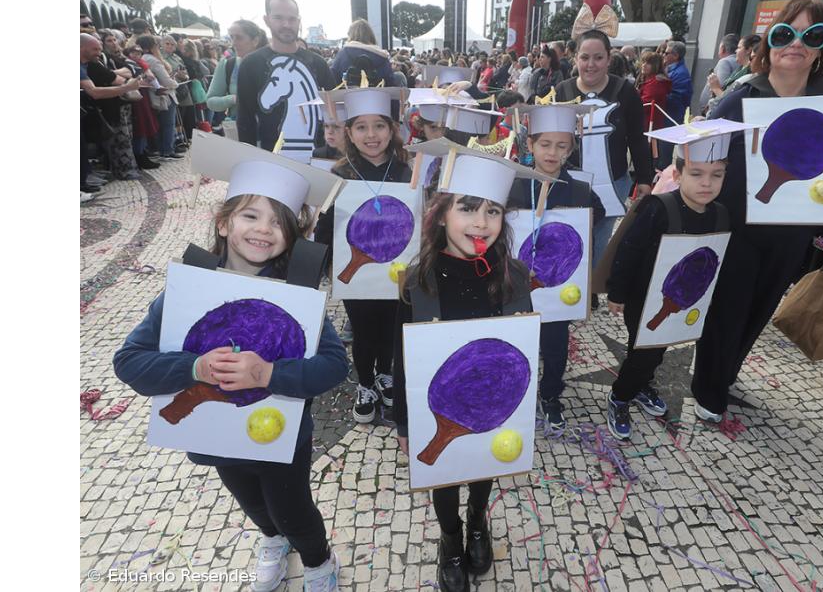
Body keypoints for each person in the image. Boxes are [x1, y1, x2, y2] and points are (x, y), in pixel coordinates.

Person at [113, 158, 346, 592]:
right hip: (217, 438)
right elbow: (129, 361)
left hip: (282, 441)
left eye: (278, 222)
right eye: (250, 215)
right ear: (223, 223)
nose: (263, 229)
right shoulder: (185, 294)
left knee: (293, 508)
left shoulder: (298, 299)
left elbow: (334, 365)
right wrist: (194, 367)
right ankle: (274, 541)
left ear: (291, 236)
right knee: (254, 503)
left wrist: (270, 372)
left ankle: (317, 560)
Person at [692, 0, 823, 423]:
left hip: (791, 232)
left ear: (822, 47)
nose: (796, 43)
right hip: (736, 229)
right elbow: (699, 153)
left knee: (761, 306)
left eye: (812, 34)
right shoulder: (742, 96)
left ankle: (726, 372)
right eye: (786, 33)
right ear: (770, 41)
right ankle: (708, 386)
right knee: (728, 307)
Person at [395, 139, 539, 592]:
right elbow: (404, 359)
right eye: (469, 207)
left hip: (489, 408)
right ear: (441, 213)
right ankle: (451, 537)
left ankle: (478, 520)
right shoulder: (419, 280)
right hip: (437, 404)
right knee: (444, 475)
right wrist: (404, 422)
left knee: (481, 467)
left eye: (493, 210)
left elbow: (521, 353)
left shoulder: (512, 277)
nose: (481, 221)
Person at [605, 123, 738, 439]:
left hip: (681, 302)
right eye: (696, 174)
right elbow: (629, 249)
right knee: (645, 351)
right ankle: (620, 395)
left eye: (716, 175)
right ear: (677, 175)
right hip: (642, 298)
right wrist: (617, 292)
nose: (706, 183)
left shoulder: (720, 214)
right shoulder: (658, 208)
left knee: (657, 349)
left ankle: (639, 384)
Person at [313, 88, 411, 424]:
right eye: (362, 127)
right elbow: (326, 224)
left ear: (392, 130)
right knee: (364, 329)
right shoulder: (340, 174)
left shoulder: (404, 172)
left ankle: (386, 374)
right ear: (349, 133)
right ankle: (366, 383)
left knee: (390, 327)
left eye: (380, 126)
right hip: (355, 273)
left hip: (394, 271)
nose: (372, 135)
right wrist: (325, 263)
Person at [507, 104, 606, 428]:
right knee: (515, 338)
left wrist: (573, 223)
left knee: (554, 344)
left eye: (562, 146)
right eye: (545, 144)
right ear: (530, 145)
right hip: (518, 285)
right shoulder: (514, 184)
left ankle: (550, 393)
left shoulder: (578, 189)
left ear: (571, 148)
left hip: (558, 288)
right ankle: (515, 391)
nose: (552, 153)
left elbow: (597, 216)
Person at [556, 9, 656, 295]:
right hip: (571, 180)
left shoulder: (625, 91)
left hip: (614, 180)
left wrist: (645, 178)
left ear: (609, 59)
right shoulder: (562, 89)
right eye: (584, 57)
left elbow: (637, 138)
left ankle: (590, 288)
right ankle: (567, 283)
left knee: (600, 236)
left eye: (598, 57)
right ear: (575, 59)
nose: (591, 64)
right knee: (572, 232)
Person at [237, 0, 336, 161]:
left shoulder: (319, 63)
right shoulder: (251, 64)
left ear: (299, 21)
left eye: (292, 19)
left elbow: (334, 113)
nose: (286, 24)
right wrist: (250, 162)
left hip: (319, 159)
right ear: (267, 20)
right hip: (271, 158)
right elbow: (245, 119)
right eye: (278, 18)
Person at [82, 32, 145, 183]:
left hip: (109, 105)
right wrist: (126, 87)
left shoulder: (93, 62)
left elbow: (131, 70)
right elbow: (97, 91)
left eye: (100, 48)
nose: (99, 52)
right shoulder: (88, 66)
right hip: (102, 108)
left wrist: (117, 77)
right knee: (116, 141)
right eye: (95, 49)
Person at [207, 20, 269, 123]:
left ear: (255, 41)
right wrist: (233, 99)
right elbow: (211, 102)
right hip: (239, 131)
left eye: (239, 38)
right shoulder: (227, 65)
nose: (233, 43)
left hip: (271, 130)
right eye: (232, 37)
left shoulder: (272, 65)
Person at [134, 35, 184, 160]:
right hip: (164, 95)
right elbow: (165, 80)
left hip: (153, 95)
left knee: (161, 124)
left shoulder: (142, 58)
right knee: (168, 124)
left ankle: (162, 149)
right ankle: (167, 150)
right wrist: (175, 83)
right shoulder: (153, 60)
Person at [330, 19, 397, 86]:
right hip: (377, 95)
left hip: (348, 95)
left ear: (351, 35)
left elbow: (332, 80)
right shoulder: (382, 57)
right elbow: (391, 84)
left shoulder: (343, 54)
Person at [658, 41, 692, 168]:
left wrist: (658, 95)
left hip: (670, 118)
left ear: (676, 55)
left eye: (666, 53)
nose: (663, 55)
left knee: (664, 153)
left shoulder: (680, 73)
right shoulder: (669, 68)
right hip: (665, 116)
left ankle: (662, 180)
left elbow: (677, 97)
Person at [698, 33, 740, 112]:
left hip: (714, 110)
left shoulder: (724, 62)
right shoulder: (739, 63)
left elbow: (719, 87)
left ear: (722, 48)